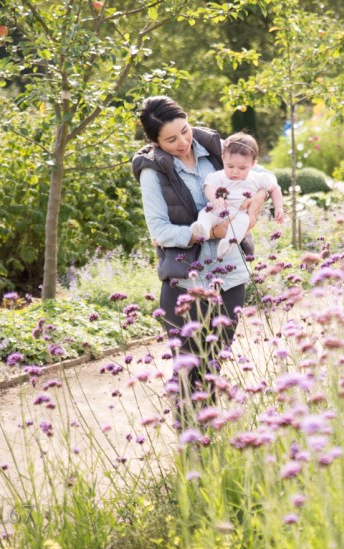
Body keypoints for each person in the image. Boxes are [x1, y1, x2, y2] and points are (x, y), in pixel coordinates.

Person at [131, 95, 270, 406]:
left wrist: (255, 208)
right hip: (185, 282)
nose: (182, 142)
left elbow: (259, 181)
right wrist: (206, 233)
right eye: (170, 139)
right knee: (187, 372)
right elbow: (160, 232)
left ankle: (208, 447)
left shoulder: (216, 150)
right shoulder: (153, 172)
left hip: (230, 274)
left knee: (212, 368)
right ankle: (188, 445)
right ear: (155, 142)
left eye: (185, 130)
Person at [193, 132, 285, 258]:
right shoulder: (218, 176)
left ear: (253, 164)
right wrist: (215, 199)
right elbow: (208, 187)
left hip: (240, 213)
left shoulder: (257, 178)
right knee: (206, 213)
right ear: (223, 159)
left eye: (242, 168)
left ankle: (228, 243)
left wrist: (278, 207)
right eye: (230, 166)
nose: (235, 171)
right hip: (219, 208)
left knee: (243, 222)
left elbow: (275, 189)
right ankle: (202, 228)